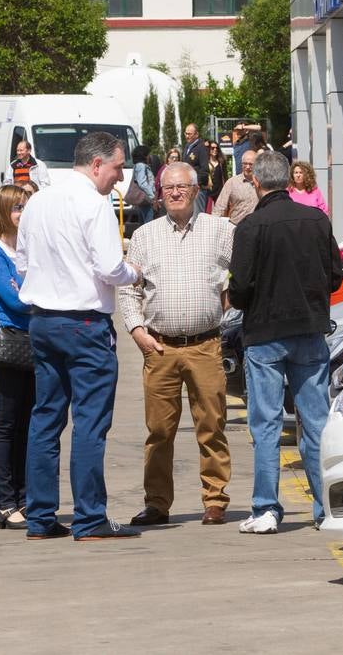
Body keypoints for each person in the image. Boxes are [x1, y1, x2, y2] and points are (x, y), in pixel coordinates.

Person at [16, 131, 143, 541]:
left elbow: (23, 263)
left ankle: (39, 517)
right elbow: (110, 267)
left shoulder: (37, 201)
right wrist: (136, 273)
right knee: (89, 422)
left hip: (43, 320)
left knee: (45, 418)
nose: (119, 177)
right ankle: (89, 518)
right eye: (117, 167)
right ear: (96, 165)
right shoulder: (94, 203)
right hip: (85, 324)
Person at [228, 151, 342, 533]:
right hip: (310, 330)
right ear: (289, 183)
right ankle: (325, 507)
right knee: (316, 423)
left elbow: (240, 289)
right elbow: (336, 277)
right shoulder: (316, 220)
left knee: (266, 424)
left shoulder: (250, 227)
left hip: (265, 334)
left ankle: (265, 509)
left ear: (256, 183)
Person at [119, 162, 234, 528]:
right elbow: (128, 289)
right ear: (159, 193)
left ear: (197, 190)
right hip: (161, 348)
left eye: (181, 187)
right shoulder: (145, 236)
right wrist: (138, 331)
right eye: (168, 188)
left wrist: (229, 312)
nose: (174, 193)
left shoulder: (221, 231)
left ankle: (215, 500)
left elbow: (244, 276)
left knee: (211, 426)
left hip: (205, 345)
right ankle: (156, 504)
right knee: (159, 431)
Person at [0, 184, 34, 530]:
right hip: (2, 343)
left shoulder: (27, 250)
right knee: (5, 423)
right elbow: (15, 302)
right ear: (2, 212)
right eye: (17, 208)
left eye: (26, 207)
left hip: (31, 343)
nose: (22, 214)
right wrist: (38, 291)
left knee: (27, 424)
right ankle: (5, 502)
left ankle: (26, 498)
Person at [213, 147, 259, 225]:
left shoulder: (263, 183)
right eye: (245, 164)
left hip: (257, 228)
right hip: (236, 227)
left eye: (251, 164)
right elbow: (219, 208)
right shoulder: (232, 182)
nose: (247, 167)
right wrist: (213, 224)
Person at [182, 124, 210, 212]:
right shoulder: (187, 146)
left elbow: (204, 169)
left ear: (196, 134)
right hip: (187, 187)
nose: (187, 136)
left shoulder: (201, 148)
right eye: (186, 133)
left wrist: (197, 184)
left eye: (189, 134)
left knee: (198, 214)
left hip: (197, 188)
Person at [130, 145, 157, 226]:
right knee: (148, 224)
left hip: (143, 199)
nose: (150, 157)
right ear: (144, 155)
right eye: (148, 154)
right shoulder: (141, 166)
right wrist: (152, 196)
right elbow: (142, 183)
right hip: (146, 199)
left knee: (143, 223)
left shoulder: (139, 166)